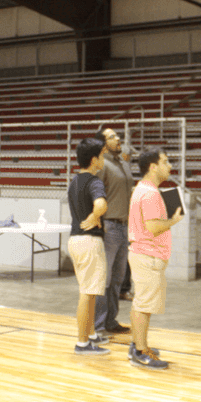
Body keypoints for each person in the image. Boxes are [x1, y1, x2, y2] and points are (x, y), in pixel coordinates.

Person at [127, 148, 184, 370]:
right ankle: (141, 352)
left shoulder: (144, 189)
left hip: (144, 255)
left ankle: (137, 344)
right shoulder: (150, 193)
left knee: (141, 302)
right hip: (148, 255)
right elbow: (153, 227)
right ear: (153, 166)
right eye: (165, 162)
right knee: (144, 305)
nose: (169, 166)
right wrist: (173, 220)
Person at [66, 137, 111, 355]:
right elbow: (101, 204)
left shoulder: (74, 181)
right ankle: (82, 343)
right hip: (89, 241)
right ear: (94, 160)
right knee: (87, 292)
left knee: (90, 291)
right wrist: (95, 216)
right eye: (102, 155)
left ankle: (91, 334)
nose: (104, 159)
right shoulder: (95, 181)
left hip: (75, 240)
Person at [93, 127, 135, 335]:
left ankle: (110, 320)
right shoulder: (102, 165)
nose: (118, 138)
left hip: (124, 226)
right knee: (105, 278)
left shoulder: (124, 164)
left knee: (118, 278)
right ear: (103, 143)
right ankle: (98, 325)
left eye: (117, 135)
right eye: (112, 137)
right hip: (109, 226)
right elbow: (95, 194)